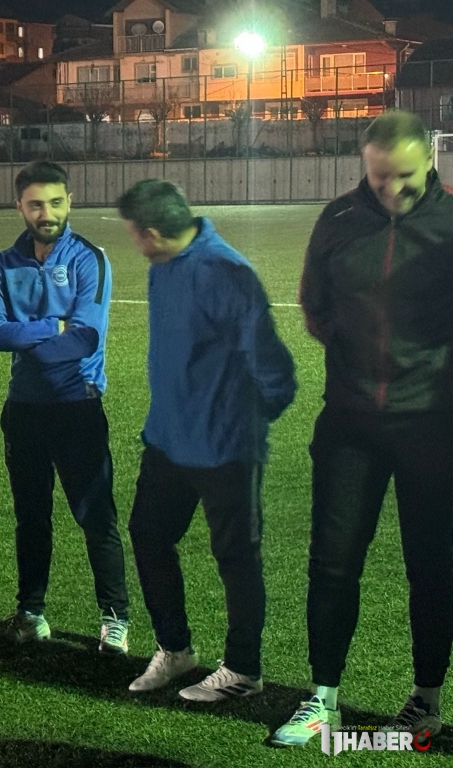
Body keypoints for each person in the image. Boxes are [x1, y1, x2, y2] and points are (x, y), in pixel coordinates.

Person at [272, 110, 453, 746]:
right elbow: (313, 303)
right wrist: (357, 361)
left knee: (432, 565)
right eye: (379, 179)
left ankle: (425, 701)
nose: (392, 191)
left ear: (430, 162)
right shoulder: (338, 218)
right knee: (332, 562)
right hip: (349, 422)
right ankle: (322, 700)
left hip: (433, 426)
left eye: (405, 178)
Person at [118, 180, 296, 700]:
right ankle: (176, 650)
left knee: (236, 557)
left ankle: (242, 670)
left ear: (151, 233)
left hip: (224, 447)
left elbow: (274, 367)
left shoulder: (224, 271)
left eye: (133, 232)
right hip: (167, 440)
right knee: (148, 534)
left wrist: (241, 422)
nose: (134, 242)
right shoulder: (163, 266)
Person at [0, 160, 130, 652]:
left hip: (76, 407)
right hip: (23, 410)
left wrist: (26, 338)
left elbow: (84, 338)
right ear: (19, 207)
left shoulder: (89, 259)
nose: (46, 213)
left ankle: (115, 618)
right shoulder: (6, 262)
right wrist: (52, 327)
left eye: (55, 202)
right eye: (36, 204)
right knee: (31, 518)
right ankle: (31, 613)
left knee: (96, 516)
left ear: (70, 202)